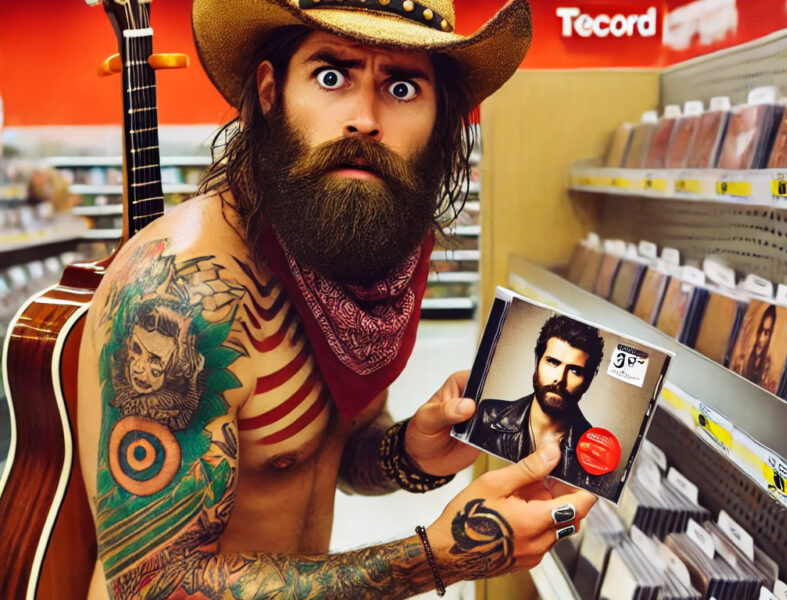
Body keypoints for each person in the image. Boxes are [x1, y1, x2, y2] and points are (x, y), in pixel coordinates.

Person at [77, 1, 597, 597]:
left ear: (443, 120)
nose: (364, 119)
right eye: (331, 76)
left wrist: (411, 451)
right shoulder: (185, 295)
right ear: (271, 92)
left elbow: (331, 456)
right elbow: (152, 584)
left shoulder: (353, 260)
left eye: (402, 86)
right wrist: (438, 557)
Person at [469, 315, 605, 486]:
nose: (559, 380)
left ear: (588, 381)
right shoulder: (489, 416)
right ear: (537, 362)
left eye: (575, 371)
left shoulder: (594, 453)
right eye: (553, 362)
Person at [732, 303, 776, 390]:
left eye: (767, 332)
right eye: (761, 330)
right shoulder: (746, 356)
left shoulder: (767, 366)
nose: (761, 338)